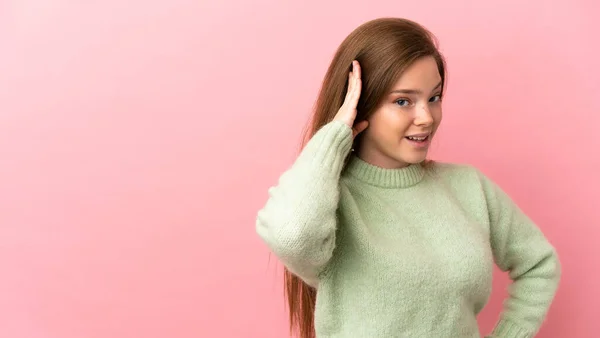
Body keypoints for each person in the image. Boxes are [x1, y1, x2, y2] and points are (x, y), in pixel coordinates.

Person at [255, 17, 560, 338]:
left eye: (435, 97)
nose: (426, 117)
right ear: (361, 105)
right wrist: (336, 132)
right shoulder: (331, 203)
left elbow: (539, 265)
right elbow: (292, 234)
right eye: (403, 101)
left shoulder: (469, 187)